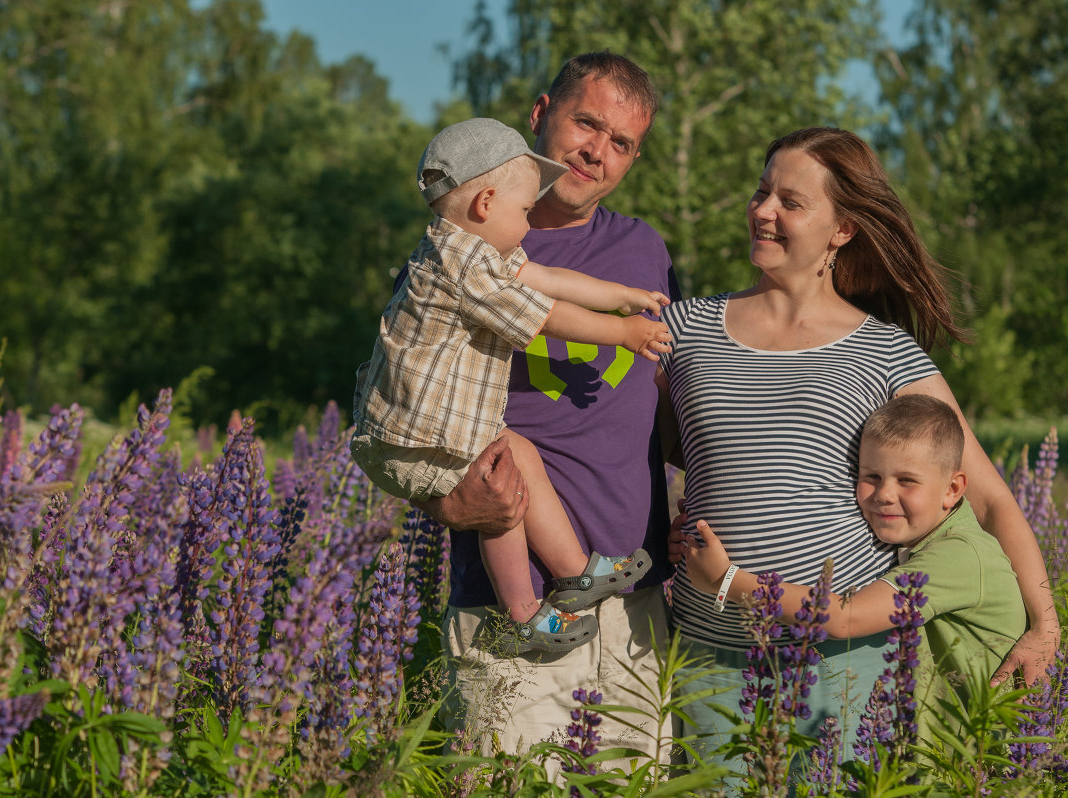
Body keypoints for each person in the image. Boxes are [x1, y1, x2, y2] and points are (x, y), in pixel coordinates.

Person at [657, 126, 1059, 770]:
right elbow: (640, 453)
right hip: (713, 654)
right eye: (762, 193)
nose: (764, 211)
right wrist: (667, 528)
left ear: (842, 229)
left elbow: (986, 495)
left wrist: (1046, 626)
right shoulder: (686, 329)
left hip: (843, 660)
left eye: (791, 201)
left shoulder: (885, 350)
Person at [406, 53, 682, 758]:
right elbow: (397, 412)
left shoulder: (643, 249)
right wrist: (450, 506)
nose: (597, 151)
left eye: (621, 143)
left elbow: (666, 405)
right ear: (539, 115)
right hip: (511, 608)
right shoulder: (464, 242)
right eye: (586, 123)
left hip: (635, 608)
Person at [352, 117, 669, 654]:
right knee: (500, 492)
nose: (527, 225)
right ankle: (524, 612)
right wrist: (622, 331)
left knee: (515, 454)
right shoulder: (463, 267)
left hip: (428, 430)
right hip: (421, 438)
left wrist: (619, 293)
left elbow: (549, 279)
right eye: (523, 211)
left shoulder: (472, 251)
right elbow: (543, 313)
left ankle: (575, 572)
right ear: (485, 204)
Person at [685, 394, 1027, 743]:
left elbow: (846, 618)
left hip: (979, 756)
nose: (884, 494)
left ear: (952, 489)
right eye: (872, 476)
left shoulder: (959, 556)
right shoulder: (930, 538)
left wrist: (726, 580)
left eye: (907, 480)